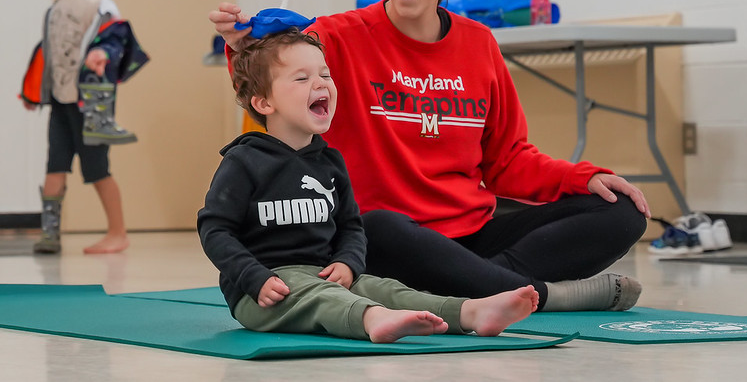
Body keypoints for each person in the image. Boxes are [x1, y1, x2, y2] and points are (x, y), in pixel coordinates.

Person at [209, 0, 650, 312]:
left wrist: (583, 177)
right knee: (376, 225)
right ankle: (534, 295)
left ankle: (480, 286)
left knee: (621, 212)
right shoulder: (336, 36)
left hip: (471, 232)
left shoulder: (478, 42)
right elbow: (270, 86)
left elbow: (508, 160)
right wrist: (238, 45)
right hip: (385, 241)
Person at [197, 21, 539, 343]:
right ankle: (373, 319)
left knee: (387, 289)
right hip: (262, 290)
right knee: (321, 297)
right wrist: (253, 277)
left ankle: (470, 312)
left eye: (325, 74)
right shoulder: (244, 162)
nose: (320, 83)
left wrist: (348, 262)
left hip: (321, 273)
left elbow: (351, 226)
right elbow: (215, 230)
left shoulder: (330, 162)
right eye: (301, 79)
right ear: (264, 102)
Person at [20, 0, 149, 255]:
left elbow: (116, 38)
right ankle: (50, 234)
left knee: (97, 169)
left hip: (90, 106)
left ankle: (118, 232)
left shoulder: (98, 3)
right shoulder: (56, 9)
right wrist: (34, 91)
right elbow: (47, 53)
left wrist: (100, 53)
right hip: (61, 103)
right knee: (54, 165)